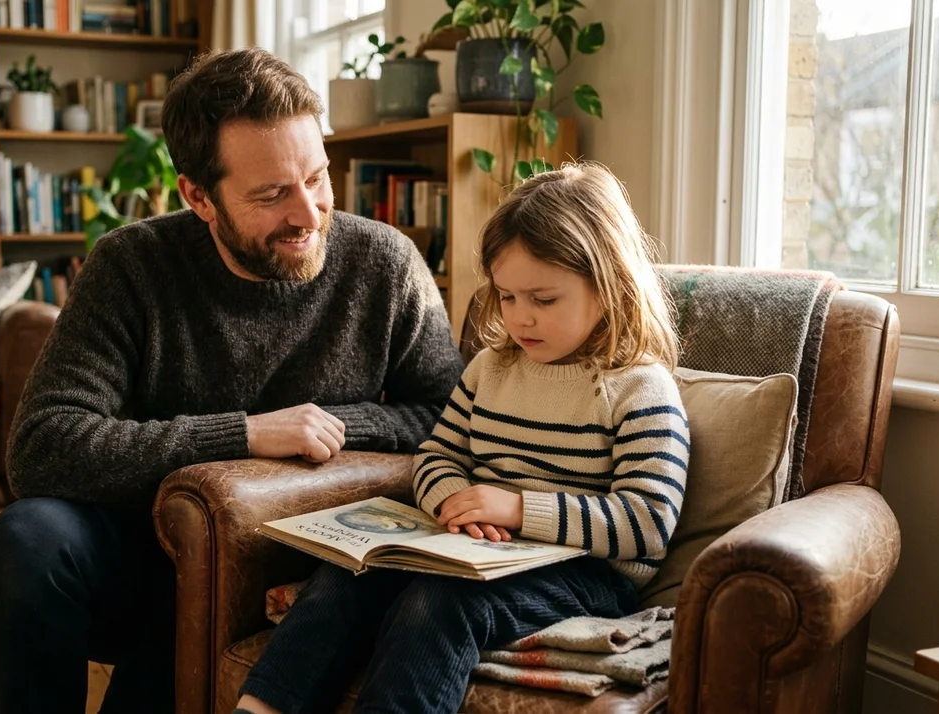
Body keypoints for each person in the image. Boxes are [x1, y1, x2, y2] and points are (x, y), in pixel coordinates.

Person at [0, 48, 464, 714]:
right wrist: (245, 435)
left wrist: (329, 422)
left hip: (299, 557)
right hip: (150, 553)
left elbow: (448, 414)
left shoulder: (385, 264)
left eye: (316, 177)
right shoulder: (130, 266)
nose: (309, 213)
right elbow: (42, 446)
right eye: (272, 194)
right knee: (26, 541)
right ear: (198, 197)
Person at [235, 162, 691, 714]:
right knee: (346, 577)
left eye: (543, 299)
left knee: (441, 601)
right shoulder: (491, 369)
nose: (521, 318)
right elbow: (436, 456)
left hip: (585, 574)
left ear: (608, 286)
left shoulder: (640, 387)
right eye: (507, 297)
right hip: (478, 550)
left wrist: (517, 509)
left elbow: (648, 522)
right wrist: (454, 500)